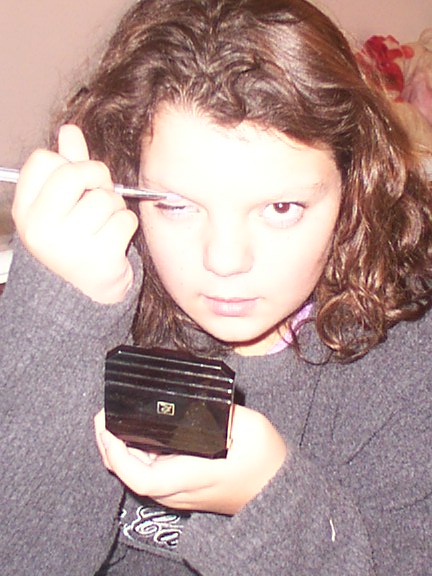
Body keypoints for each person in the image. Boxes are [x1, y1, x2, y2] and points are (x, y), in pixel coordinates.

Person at [1, 0, 431, 574]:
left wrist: (266, 502)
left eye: (281, 208)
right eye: (176, 205)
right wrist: (64, 315)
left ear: (355, 187)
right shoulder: (86, 295)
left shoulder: (406, 363)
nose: (224, 261)